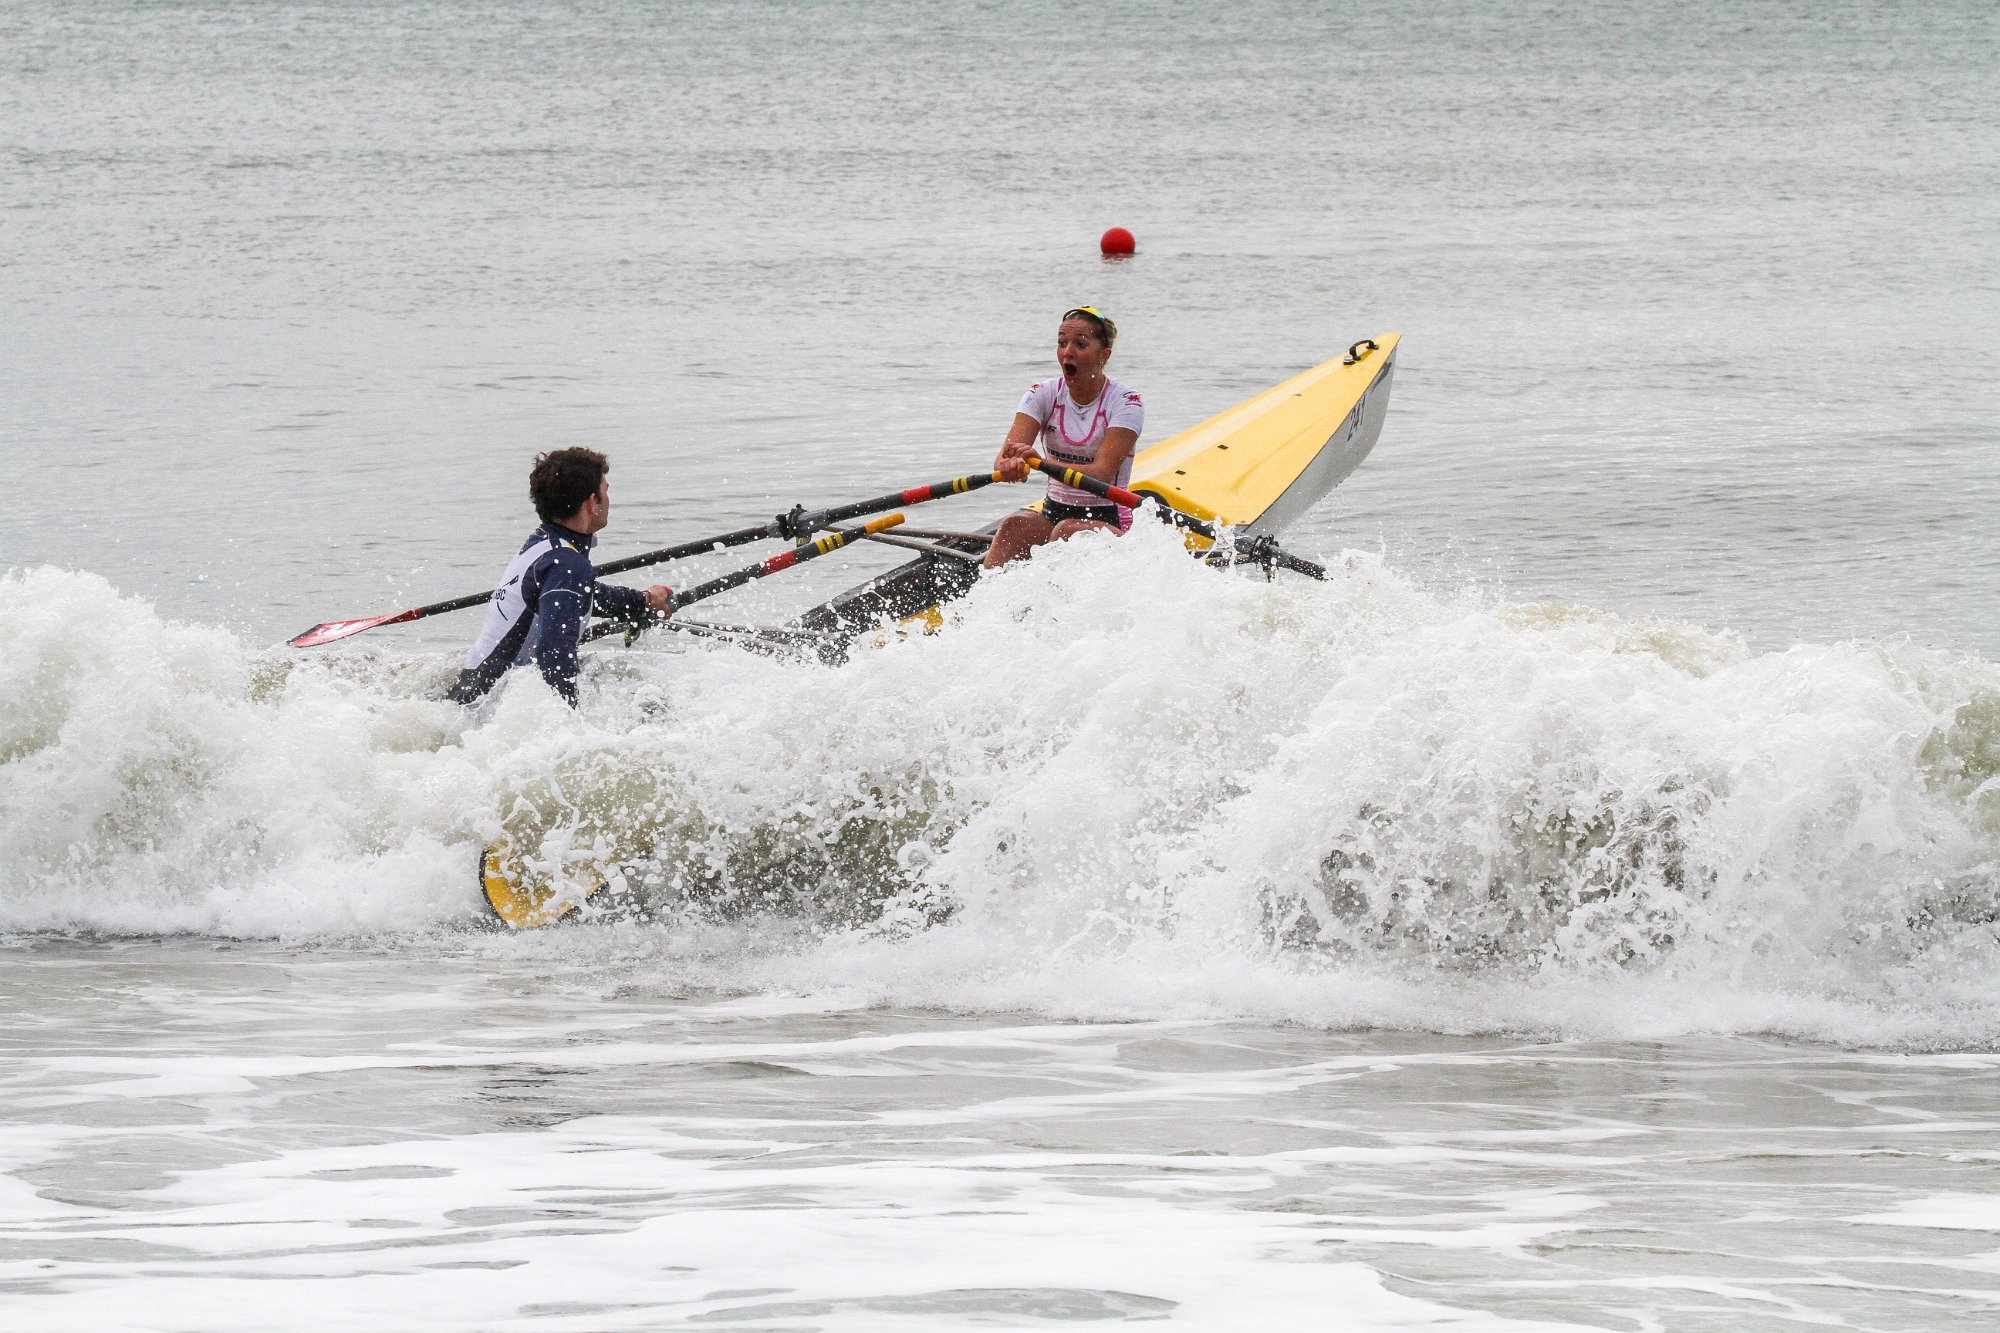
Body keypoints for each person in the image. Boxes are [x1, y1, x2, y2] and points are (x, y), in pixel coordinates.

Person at [448, 447, 672, 706]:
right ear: (591, 502)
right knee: (654, 705)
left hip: (470, 698)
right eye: (606, 490)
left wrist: (639, 602)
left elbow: (578, 597)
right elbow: (553, 654)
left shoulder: (541, 545)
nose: (609, 498)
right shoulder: (568, 565)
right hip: (490, 711)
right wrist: (573, 729)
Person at [983, 306, 1145, 569]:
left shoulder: (1127, 402)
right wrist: (1011, 465)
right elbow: (1006, 456)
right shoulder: (1041, 394)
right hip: (1053, 512)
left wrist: (1041, 464)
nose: (1067, 351)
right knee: (1013, 526)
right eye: (1062, 343)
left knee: (1067, 533)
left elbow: (1102, 473)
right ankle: (981, 607)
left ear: (1103, 356)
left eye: (1080, 344)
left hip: (1111, 518)